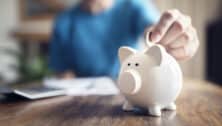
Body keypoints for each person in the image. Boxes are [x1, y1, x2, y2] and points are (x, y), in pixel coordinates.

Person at [49, 0, 199, 79]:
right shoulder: (64, 20)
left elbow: (152, 28)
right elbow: (63, 73)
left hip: (131, 89)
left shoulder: (133, 5)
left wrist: (167, 33)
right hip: (82, 103)